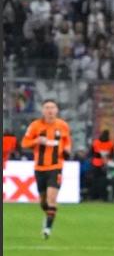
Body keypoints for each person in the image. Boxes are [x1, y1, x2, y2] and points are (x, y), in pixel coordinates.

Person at [21, 100, 72, 239]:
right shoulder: (35, 126)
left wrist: (68, 148)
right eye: (47, 107)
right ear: (42, 110)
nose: (50, 110)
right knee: (43, 201)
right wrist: (37, 141)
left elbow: (67, 141)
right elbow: (24, 143)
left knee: (52, 198)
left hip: (56, 167)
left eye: (52, 107)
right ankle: (48, 215)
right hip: (40, 167)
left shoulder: (62, 125)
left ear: (57, 110)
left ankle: (47, 229)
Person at [90, 129, 114, 200]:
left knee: (96, 181)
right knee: (103, 181)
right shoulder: (110, 143)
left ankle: (94, 197)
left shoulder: (96, 142)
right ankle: (103, 196)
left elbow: (92, 153)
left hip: (97, 163)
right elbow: (111, 154)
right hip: (105, 164)